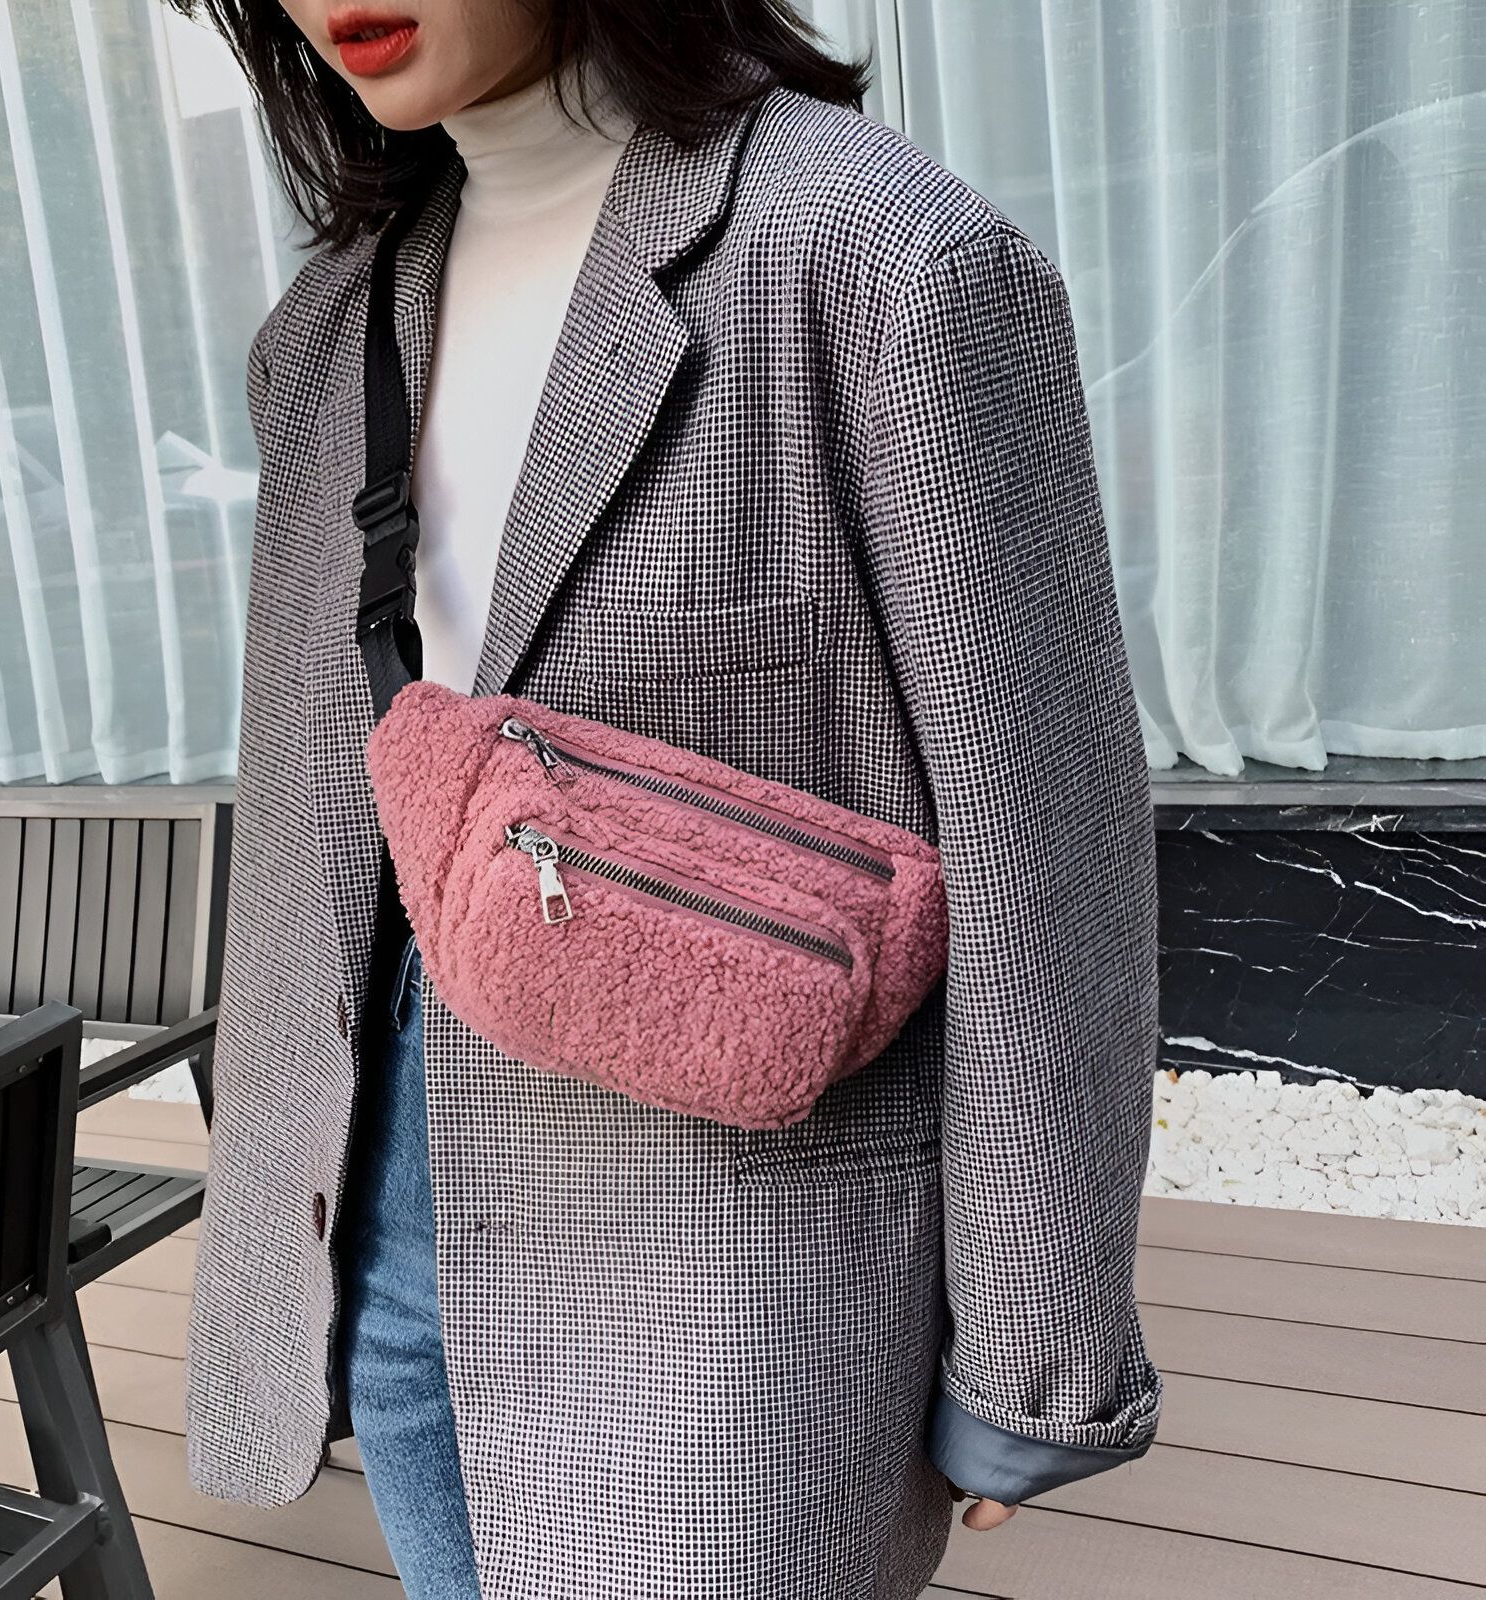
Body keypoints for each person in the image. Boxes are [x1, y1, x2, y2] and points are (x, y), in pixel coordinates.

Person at [178, 3, 1164, 1596]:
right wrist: (279, 1257)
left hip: (730, 1217)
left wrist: (1035, 1334)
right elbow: (310, 801)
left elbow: (1043, 837)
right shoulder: (324, 333)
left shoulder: (878, 255)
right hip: (386, 1202)